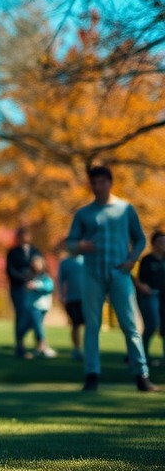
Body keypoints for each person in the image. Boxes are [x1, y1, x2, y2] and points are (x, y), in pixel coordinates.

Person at [65, 165, 158, 392]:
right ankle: (92, 376)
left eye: (102, 182)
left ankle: (141, 375)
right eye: (94, 183)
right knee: (93, 326)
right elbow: (70, 243)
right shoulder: (83, 214)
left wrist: (131, 260)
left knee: (130, 326)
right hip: (91, 275)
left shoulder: (125, 210)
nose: (98, 186)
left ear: (110, 182)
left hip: (119, 274)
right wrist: (80, 245)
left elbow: (140, 240)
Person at [6, 227, 43, 359]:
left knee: (34, 316)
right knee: (21, 315)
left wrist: (34, 280)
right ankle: (20, 345)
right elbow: (10, 270)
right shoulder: (13, 252)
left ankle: (39, 344)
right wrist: (24, 278)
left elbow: (41, 266)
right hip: (18, 288)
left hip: (33, 288)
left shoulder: (35, 251)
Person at [135, 231, 165, 367]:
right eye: (160, 242)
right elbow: (139, 279)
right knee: (152, 325)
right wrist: (143, 288)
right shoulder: (147, 260)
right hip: (151, 296)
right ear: (154, 244)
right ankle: (142, 356)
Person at [23, 255, 58, 358]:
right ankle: (43, 347)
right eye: (34, 263)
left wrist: (37, 286)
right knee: (37, 326)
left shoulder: (45, 277)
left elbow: (49, 287)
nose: (36, 265)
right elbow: (26, 287)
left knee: (38, 326)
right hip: (33, 306)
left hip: (43, 305)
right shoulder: (29, 275)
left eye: (38, 263)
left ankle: (39, 348)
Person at [57, 250, 87, 361]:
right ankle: (77, 349)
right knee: (75, 324)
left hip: (86, 299)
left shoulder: (87, 260)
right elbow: (60, 280)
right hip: (71, 298)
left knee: (89, 324)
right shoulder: (65, 262)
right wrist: (61, 295)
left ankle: (89, 349)